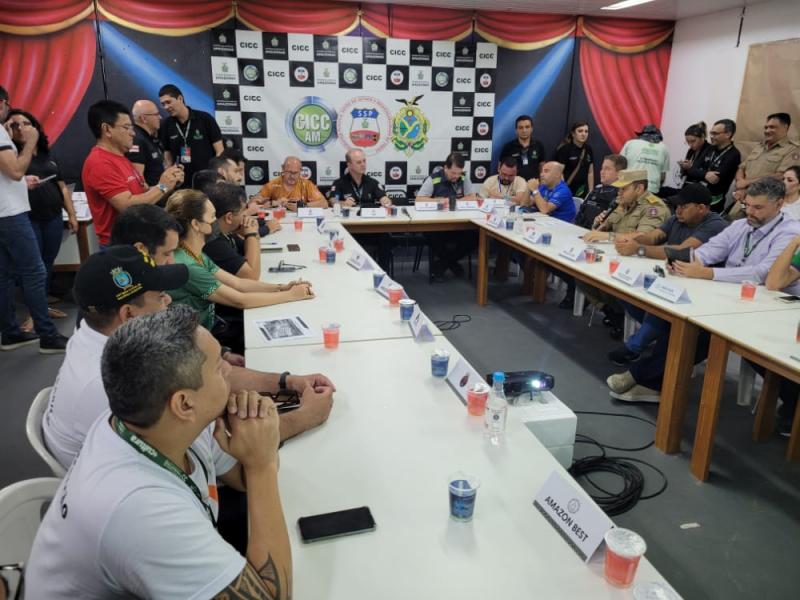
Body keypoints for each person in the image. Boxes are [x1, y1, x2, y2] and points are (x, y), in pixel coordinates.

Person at [27, 306, 294, 598]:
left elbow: (240, 479)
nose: (229, 369)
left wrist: (254, 454)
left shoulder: (155, 422)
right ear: (184, 404)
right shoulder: (139, 510)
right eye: (219, 366)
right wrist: (262, 464)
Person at [43, 245, 334, 470]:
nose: (169, 300)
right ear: (128, 315)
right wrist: (305, 416)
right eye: (160, 296)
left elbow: (217, 373)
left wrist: (287, 382)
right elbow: (233, 451)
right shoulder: (125, 378)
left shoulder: (96, 335)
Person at [607, 177, 800, 402]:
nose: (750, 212)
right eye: (747, 205)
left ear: (779, 204)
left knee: (699, 333)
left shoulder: (789, 232)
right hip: (734, 297)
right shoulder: (740, 225)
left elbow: (762, 274)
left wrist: (708, 273)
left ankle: (644, 377)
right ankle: (654, 380)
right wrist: (682, 261)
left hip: (771, 305)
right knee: (682, 322)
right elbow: (707, 252)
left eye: (758, 208)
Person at [166, 189, 314, 349]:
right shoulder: (187, 264)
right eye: (213, 216)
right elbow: (239, 300)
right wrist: (291, 295)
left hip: (205, 333)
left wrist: (281, 288)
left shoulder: (194, 253)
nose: (217, 221)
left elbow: (238, 283)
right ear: (196, 224)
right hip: (192, 344)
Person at [607, 183, 728, 365]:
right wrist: (631, 239)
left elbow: (682, 251)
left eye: (684, 206)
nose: (678, 210)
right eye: (677, 206)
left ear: (701, 208)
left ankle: (634, 347)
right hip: (673, 276)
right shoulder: (676, 219)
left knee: (662, 308)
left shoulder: (715, 225)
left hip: (701, 286)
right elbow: (653, 237)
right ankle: (662, 332)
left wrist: (638, 249)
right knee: (625, 289)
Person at [0, 85, 68, 353]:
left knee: (4, 275)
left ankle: (10, 333)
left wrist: (20, 182)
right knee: (35, 271)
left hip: (5, 210)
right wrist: (29, 142)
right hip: (10, 214)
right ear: (4, 103)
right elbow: (15, 170)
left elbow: (10, 176)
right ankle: (47, 335)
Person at [5, 109, 78, 324]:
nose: (21, 128)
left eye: (26, 123)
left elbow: (63, 187)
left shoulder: (48, 155)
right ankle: (33, 315)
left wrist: (71, 214)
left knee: (46, 264)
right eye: (15, 124)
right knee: (32, 268)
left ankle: (42, 307)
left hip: (53, 218)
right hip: (28, 219)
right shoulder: (13, 156)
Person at [82, 100, 184, 247]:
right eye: (126, 127)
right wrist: (162, 186)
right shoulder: (100, 163)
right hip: (120, 246)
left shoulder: (121, 157)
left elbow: (143, 194)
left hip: (139, 240)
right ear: (107, 129)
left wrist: (170, 182)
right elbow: (127, 207)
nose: (132, 132)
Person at [417, 153, 479, 279]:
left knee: (475, 237)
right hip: (437, 226)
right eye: (453, 173)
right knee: (431, 236)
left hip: (458, 225)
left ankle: (443, 264)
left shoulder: (464, 178)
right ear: (445, 168)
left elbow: (472, 197)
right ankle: (452, 264)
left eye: (459, 173)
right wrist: (439, 201)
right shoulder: (433, 179)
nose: (456, 176)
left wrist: (455, 202)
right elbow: (419, 199)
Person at [731, 113, 800, 219]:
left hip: (763, 202)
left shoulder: (792, 150)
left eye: (772, 127)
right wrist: (740, 184)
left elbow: (781, 176)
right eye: (766, 127)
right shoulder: (759, 147)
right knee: (733, 220)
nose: (767, 130)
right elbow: (742, 167)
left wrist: (746, 183)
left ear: (785, 127)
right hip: (742, 197)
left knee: (753, 226)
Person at [159, 84, 223, 189]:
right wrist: (170, 175)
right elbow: (168, 155)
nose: (166, 107)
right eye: (163, 104)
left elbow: (220, 150)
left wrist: (216, 175)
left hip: (208, 182)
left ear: (180, 98)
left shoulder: (205, 119)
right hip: (181, 184)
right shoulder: (166, 125)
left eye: (168, 102)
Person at [583, 169, 669, 242]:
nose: (619, 192)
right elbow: (603, 227)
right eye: (619, 189)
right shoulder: (623, 202)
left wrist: (607, 236)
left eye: (623, 189)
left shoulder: (654, 208)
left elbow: (643, 237)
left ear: (639, 189)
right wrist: (599, 224)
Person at [204, 183, 262, 280]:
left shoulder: (225, 231)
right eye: (243, 210)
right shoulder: (213, 242)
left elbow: (250, 251)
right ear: (229, 217)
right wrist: (252, 234)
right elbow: (252, 276)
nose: (246, 215)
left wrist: (251, 236)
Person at [252, 156, 327, 210]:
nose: (292, 176)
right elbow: (252, 204)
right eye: (289, 172)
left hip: (300, 223)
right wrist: (273, 203)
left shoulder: (307, 184)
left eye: (295, 173)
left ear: (300, 171)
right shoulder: (273, 185)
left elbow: (324, 204)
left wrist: (302, 206)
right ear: (283, 168)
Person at [573, 154, 627, 229]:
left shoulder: (620, 195)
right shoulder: (596, 190)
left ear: (620, 173)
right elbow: (581, 213)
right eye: (602, 168)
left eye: (607, 169)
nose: (602, 172)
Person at [701, 119, 741, 212]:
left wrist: (700, 173)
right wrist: (705, 174)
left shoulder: (734, 154)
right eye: (711, 133)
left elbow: (715, 179)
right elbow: (692, 170)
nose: (711, 137)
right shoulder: (709, 148)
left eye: (715, 134)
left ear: (728, 134)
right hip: (698, 195)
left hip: (713, 202)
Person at [620, 124, 670, 194]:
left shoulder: (630, 143)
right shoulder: (664, 148)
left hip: (629, 187)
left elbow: (620, 166)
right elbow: (662, 177)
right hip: (651, 189)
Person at [128, 99, 166, 187]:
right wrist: (165, 187)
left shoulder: (148, 137)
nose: (160, 117)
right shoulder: (137, 140)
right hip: (152, 198)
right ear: (143, 118)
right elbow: (139, 182)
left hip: (159, 193)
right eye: (156, 114)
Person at [554, 121, 594, 198]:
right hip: (566, 190)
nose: (583, 134)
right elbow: (559, 172)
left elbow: (590, 172)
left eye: (586, 131)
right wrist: (563, 190)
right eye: (580, 131)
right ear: (573, 134)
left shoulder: (588, 149)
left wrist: (591, 191)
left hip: (582, 190)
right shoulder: (565, 150)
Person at [499, 115, 546, 181]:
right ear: (516, 130)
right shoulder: (508, 147)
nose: (524, 130)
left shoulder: (539, 145)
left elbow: (542, 167)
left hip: (534, 185)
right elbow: (500, 168)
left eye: (527, 127)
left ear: (532, 129)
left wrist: (542, 182)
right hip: (513, 186)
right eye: (520, 127)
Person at [676, 122, 713, 188]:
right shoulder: (691, 151)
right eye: (687, 142)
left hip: (700, 189)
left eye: (693, 141)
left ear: (702, 137)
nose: (690, 145)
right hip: (687, 186)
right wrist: (683, 167)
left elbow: (708, 175)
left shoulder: (711, 150)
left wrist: (690, 168)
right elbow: (685, 174)